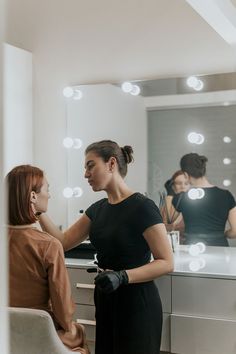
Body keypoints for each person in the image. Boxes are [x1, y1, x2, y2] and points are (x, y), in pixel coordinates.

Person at [39, 140, 174, 354]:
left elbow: (166, 263)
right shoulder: (97, 209)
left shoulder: (143, 207)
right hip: (105, 299)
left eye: (90, 165)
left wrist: (122, 276)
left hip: (137, 303)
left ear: (111, 164)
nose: (85, 174)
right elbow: (62, 242)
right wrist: (39, 212)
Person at [7, 165, 89, 354]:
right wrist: (72, 328)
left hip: (5, 334)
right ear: (33, 196)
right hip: (37, 333)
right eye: (47, 189)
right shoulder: (48, 245)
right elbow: (64, 312)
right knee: (77, 333)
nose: (50, 195)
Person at [172, 153, 236, 246]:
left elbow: (172, 224)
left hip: (192, 248)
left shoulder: (182, 198)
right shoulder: (226, 195)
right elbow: (235, 231)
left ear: (185, 174)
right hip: (219, 248)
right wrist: (223, 234)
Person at [161, 170, 189, 242]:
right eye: (179, 183)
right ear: (173, 186)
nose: (183, 186)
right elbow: (167, 224)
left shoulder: (195, 206)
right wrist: (170, 195)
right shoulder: (167, 204)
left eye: (186, 183)